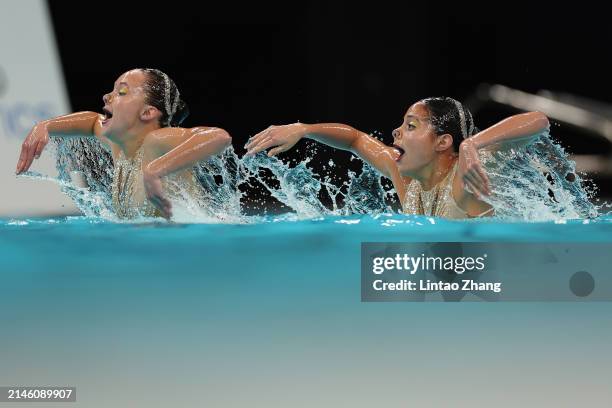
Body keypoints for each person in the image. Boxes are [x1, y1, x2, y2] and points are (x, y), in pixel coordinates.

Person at [245, 97, 549, 218]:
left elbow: (538, 120)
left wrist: (471, 145)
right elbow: (355, 139)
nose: (396, 131)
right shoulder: (405, 175)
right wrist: (304, 128)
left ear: (444, 142)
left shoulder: (462, 178)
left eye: (411, 126)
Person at [16, 68, 232, 219]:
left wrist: (155, 169)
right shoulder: (120, 144)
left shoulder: (157, 142)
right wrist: (45, 126)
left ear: (147, 112)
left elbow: (219, 137)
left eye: (121, 92)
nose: (106, 96)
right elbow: (92, 122)